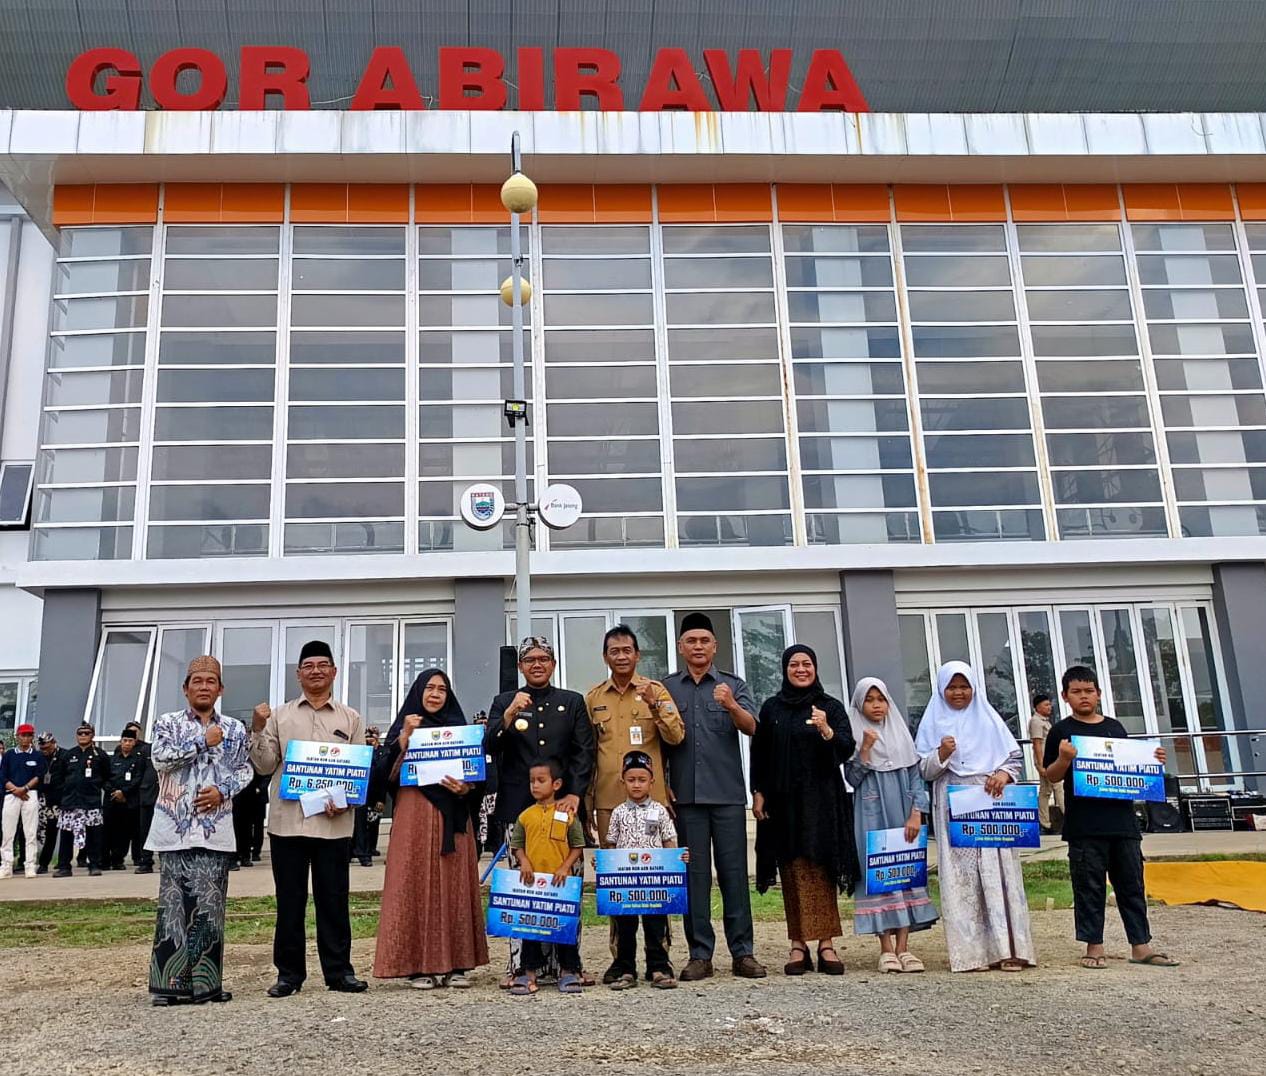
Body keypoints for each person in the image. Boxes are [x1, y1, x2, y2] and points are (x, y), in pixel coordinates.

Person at [250, 639, 368, 996]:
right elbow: (265, 765)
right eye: (308, 666)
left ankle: (339, 972)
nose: (316, 671)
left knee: (334, 900)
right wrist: (257, 728)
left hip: (334, 824)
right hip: (289, 823)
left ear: (333, 671)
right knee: (290, 901)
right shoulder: (280, 717)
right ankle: (289, 974)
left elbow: (359, 771)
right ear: (298, 674)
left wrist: (346, 800)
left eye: (323, 665)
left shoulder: (351, 718)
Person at [1042, 665, 1179, 970]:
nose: (1084, 696)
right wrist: (1064, 759)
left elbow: (1133, 766)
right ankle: (1094, 947)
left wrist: (1152, 761)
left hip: (1123, 823)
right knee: (1089, 887)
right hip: (1084, 825)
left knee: (1132, 885)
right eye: (1076, 692)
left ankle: (1141, 946)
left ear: (1099, 694)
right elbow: (1050, 774)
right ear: (1066, 696)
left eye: (1089, 691)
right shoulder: (1061, 731)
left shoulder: (1116, 728)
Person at [484, 637, 594, 986]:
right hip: (520, 809)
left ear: (553, 663)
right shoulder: (505, 701)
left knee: (565, 886)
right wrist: (509, 713)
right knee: (524, 888)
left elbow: (584, 752)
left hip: (563, 808)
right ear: (520, 666)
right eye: (529, 659)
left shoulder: (572, 702)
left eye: (543, 658)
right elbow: (489, 746)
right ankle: (521, 966)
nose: (536, 664)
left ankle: (568, 965)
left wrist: (575, 794)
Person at [663, 612, 767, 981]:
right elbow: (656, 742)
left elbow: (754, 728)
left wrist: (731, 705)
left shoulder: (732, 686)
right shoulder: (666, 689)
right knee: (694, 877)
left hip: (726, 795)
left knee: (735, 875)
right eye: (691, 641)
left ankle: (743, 953)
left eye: (704, 641)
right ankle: (699, 954)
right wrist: (663, 784)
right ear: (681, 647)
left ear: (714, 646)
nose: (698, 647)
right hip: (686, 798)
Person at [146, 656, 255, 1006]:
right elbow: (161, 759)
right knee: (174, 906)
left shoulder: (236, 729)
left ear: (220, 689)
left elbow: (245, 771)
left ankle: (207, 984)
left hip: (215, 828)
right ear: (185, 688)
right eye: (197, 681)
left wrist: (223, 791)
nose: (204, 686)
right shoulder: (167, 723)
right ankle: (169, 985)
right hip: (174, 827)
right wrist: (203, 743)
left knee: (210, 906)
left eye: (211, 681)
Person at [914, 661, 1036, 972]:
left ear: (974, 688)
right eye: (952, 687)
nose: (958, 692)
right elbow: (922, 770)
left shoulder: (989, 719)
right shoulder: (933, 723)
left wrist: (1003, 775)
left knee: (1000, 872)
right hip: (954, 802)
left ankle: (1011, 950)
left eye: (964, 686)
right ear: (942, 689)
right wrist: (941, 753)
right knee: (962, 876)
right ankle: (973, 954)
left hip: (992, 803)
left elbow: (1014, 757)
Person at [373, 669, 488, 990]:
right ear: (418, 693)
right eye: (429, 688)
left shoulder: (460, 730)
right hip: (414, 816)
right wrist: (403, 741)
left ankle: (458, 964)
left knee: (455, 885)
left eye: (442, 689)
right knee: (413, 881)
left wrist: (466, 788)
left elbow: (478, 779)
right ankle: (415, 965)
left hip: (453, 818)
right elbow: (381, 777)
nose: (435, 694)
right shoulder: (403, 728)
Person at [751, 645, 858, 976]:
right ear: (785, 669)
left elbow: (846, 748)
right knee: (793, 869)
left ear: (815, 668)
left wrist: (826, 730)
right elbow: (760, 753)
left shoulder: (829, 706)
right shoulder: (772, 708)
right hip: (784, 804)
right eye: (794, 664)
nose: (801, 669)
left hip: (823, 801)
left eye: (807, 664)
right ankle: (798, 944)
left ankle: (826, 944)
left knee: (822, 866)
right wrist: (757, 792)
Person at [843, 678, 938, 972]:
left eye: (880, 699)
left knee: (904, 870)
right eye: (869, 700)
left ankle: (904, 947)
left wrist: (916, 813)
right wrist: (866, 749)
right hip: (870, 812)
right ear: (860, 704)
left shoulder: (901, 736)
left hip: (903, 811)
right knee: (879, 872)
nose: (876, 705)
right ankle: (885, 947)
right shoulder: (855, 735)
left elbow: (915, 778)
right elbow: (852, 779)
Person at [584, 625, 684, 847]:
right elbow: (589, 754)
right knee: (613, 868)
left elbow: (676, 737)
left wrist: (654, 704)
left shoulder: (656, 691)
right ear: (605, 657)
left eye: (627, 650)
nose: (621, 657)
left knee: (654, 866)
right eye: (614, 651)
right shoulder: (593, 698)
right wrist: (588, 801)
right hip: (608, 799)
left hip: (650, 801)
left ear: (637, 655)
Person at [605, 750, 682, 990]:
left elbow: (670, 841)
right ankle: (626, 968)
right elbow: (611, 844)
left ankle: (658, 966)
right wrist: (605, 863)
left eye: (641, 780)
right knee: (625, 925)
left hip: (655, 882)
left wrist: (677, 860)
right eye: (631, 780)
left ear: (652, 781)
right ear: (623, 781)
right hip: (626, 883)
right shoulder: (618, 813)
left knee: (655, 923)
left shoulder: (659, 811)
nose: (636, 785)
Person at [508, 758, 586, 996]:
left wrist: (565, 867)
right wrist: (525, 862)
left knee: (565, 928)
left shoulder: (567, 815)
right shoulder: (524, 816)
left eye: (541, 780)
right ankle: (529, 973)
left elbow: (578, 845)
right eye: (532, 781)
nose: (535, 786)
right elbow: (517, 845)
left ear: (556, 784)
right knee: (531, 929)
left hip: (560, 883)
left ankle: (568, 971)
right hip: (534, 886)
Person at [54, 723, 110, 877]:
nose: (83, 736)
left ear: (92, 735)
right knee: (66, 835)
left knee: (94, 835)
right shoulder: (69, 755)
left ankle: (94, 864)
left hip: (91, 801)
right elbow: (59, 777)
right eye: (80, 733)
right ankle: (64, 866)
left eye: (86, 733)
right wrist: (64, 792)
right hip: (70, 802)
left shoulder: (100, 755)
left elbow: (107, 776)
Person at [1, 723, 47, 879]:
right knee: (8, 833)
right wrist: (15, 790)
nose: (26, 738)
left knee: (30, 832)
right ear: (17, 736)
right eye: (23, 735)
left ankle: (30, 865)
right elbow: (3, 776)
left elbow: (39, 775)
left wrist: (25, 789)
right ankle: (6, 865)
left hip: (30, 794)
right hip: (11, 794)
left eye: (29, 735)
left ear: (32, 737)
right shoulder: (9, 755)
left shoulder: (37, 755)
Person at [104, 727, 147, 870]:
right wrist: (114, 792)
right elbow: (105, 778)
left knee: (125, 833)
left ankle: (118, 860)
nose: (127, 743)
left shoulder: (138, 759)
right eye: (125, 740)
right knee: (109, 831)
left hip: (129, 801)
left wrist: (124, 792)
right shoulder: (112, 759)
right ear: (120, 742)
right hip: (112, 800)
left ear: (135, 742)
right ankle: (105, 860)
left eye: (130, 741)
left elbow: (138, 778)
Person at [351, 726, 388, 867]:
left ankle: (369, 850)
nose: (369, 741)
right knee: (359, 825)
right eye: (367, 738)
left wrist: (381, 799)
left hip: (376, 793)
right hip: (360, 793)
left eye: (372, 738)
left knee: (372, 824)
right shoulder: (360, 752)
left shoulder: (384, 753)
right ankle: (359, 852)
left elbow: (384, 776)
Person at [1028, 694, 1064, 834]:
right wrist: (1041, 765)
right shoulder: (1036, 721)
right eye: (1046, 705)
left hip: (1050, 759)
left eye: (1050, 704)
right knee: (1058, 787)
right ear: (1037, 707)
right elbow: (1037, 744)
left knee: (1046, 790)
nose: (1049, 707)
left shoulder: (1044, 721)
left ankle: (1045, 822)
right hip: (1046, 761)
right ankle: (1067, 815)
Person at [35, 732, 68, 874]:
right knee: (50, 832)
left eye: (47, 747)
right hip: (47, 800)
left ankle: (64, 863)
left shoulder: (65, 756)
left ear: (54, 743)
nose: (45, 750)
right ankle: (43, 863)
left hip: (64, 799)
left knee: (68, 833)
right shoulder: (40, 757)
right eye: (42, 748)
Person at [129, 721, 159, 874]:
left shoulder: (173, 750)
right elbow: (139, 773)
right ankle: (145, 861)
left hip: (166, 798)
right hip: (147, 796)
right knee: (145, 831)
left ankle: (166, 861)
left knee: (165, 831)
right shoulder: (146, 749)